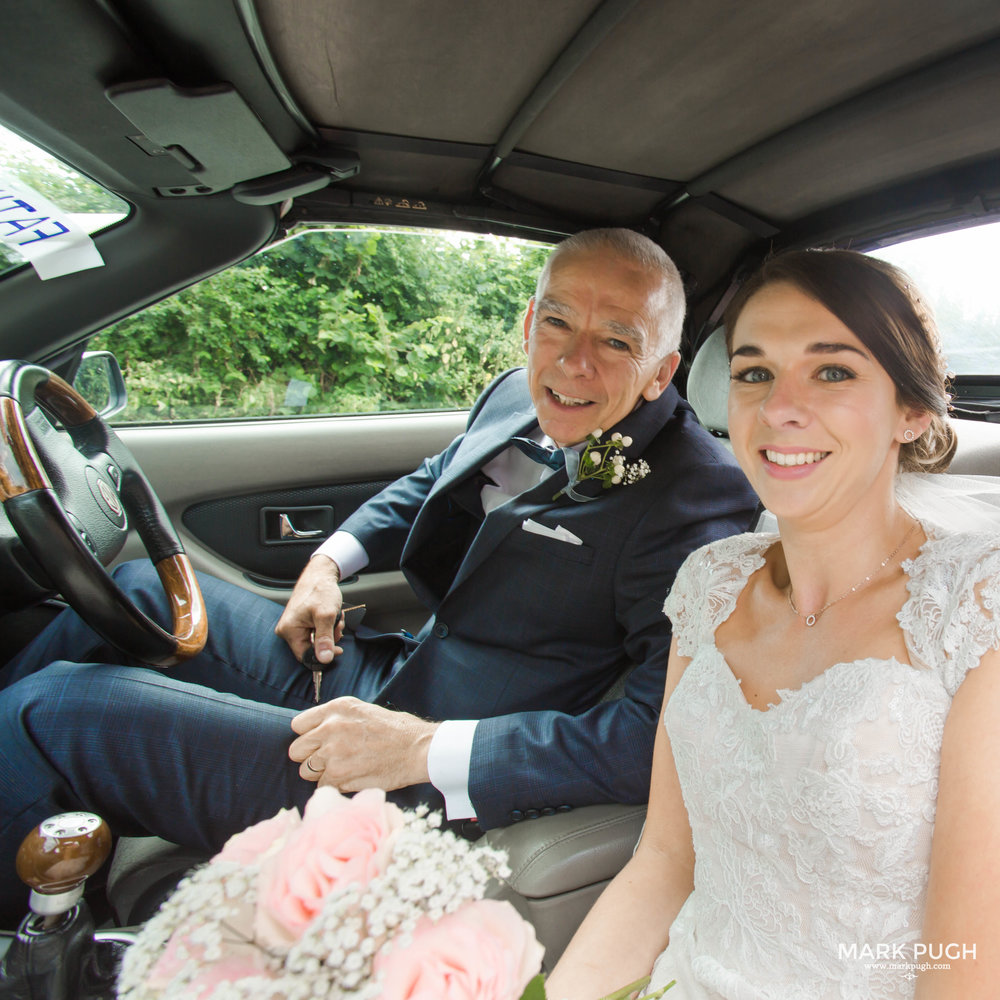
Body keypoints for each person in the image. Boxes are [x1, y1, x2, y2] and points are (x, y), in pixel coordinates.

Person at [0, 228, 756, 925]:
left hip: (430, 780)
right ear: (529, 324)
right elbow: (430, 480)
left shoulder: (698, 496)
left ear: (662, 373)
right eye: (557, 323)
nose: (574, 360)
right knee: (136, 595)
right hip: (388, 669)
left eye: (616, 340)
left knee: (54, 711)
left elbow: (652, 739)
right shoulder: (511, 394)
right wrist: (330, 563)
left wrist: (420, 750)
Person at [546, 249, 1000, 999]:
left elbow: (963, 966)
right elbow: (663, 865)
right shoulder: (710, 581)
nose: (780, 407)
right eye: (755, 372)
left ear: (912, 411)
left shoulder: (975, 608)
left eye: (831, 372)